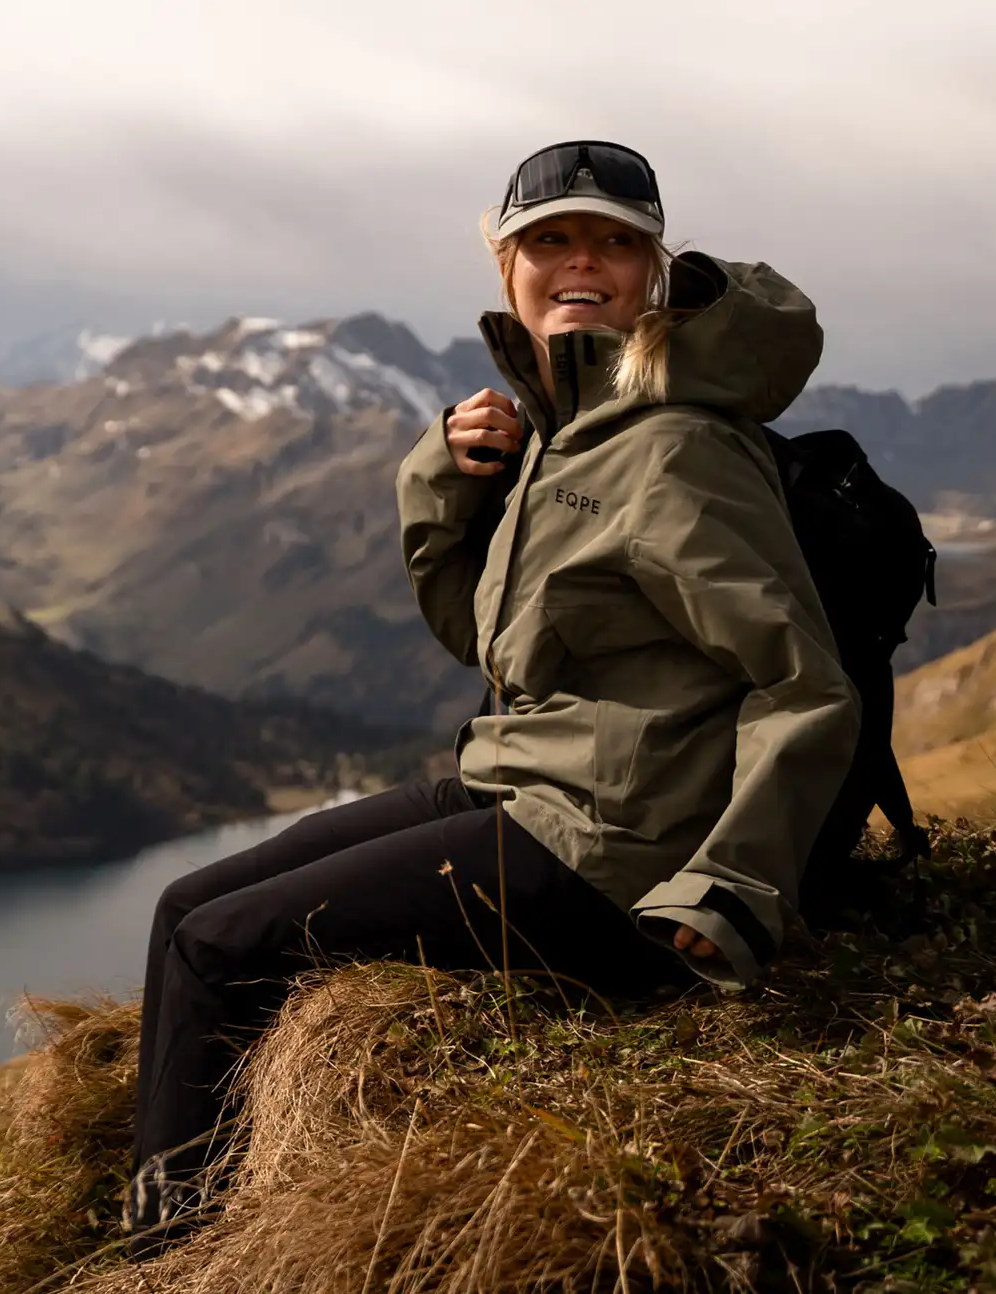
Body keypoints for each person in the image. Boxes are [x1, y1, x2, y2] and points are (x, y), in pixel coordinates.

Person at [119, 140, 860, 1254]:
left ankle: (163, 1255)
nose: (582, 262)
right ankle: (173, 1190)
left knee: (220, 949)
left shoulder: (673, 449)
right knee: (184, 908)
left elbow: (803, 684)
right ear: (504, 262)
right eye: (550, 238)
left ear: (653, 272)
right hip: (528, 786)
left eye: (615, 242)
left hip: (616, 852)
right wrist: (444, 477)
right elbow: (491, 641)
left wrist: (729, 888)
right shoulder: (571, 433)